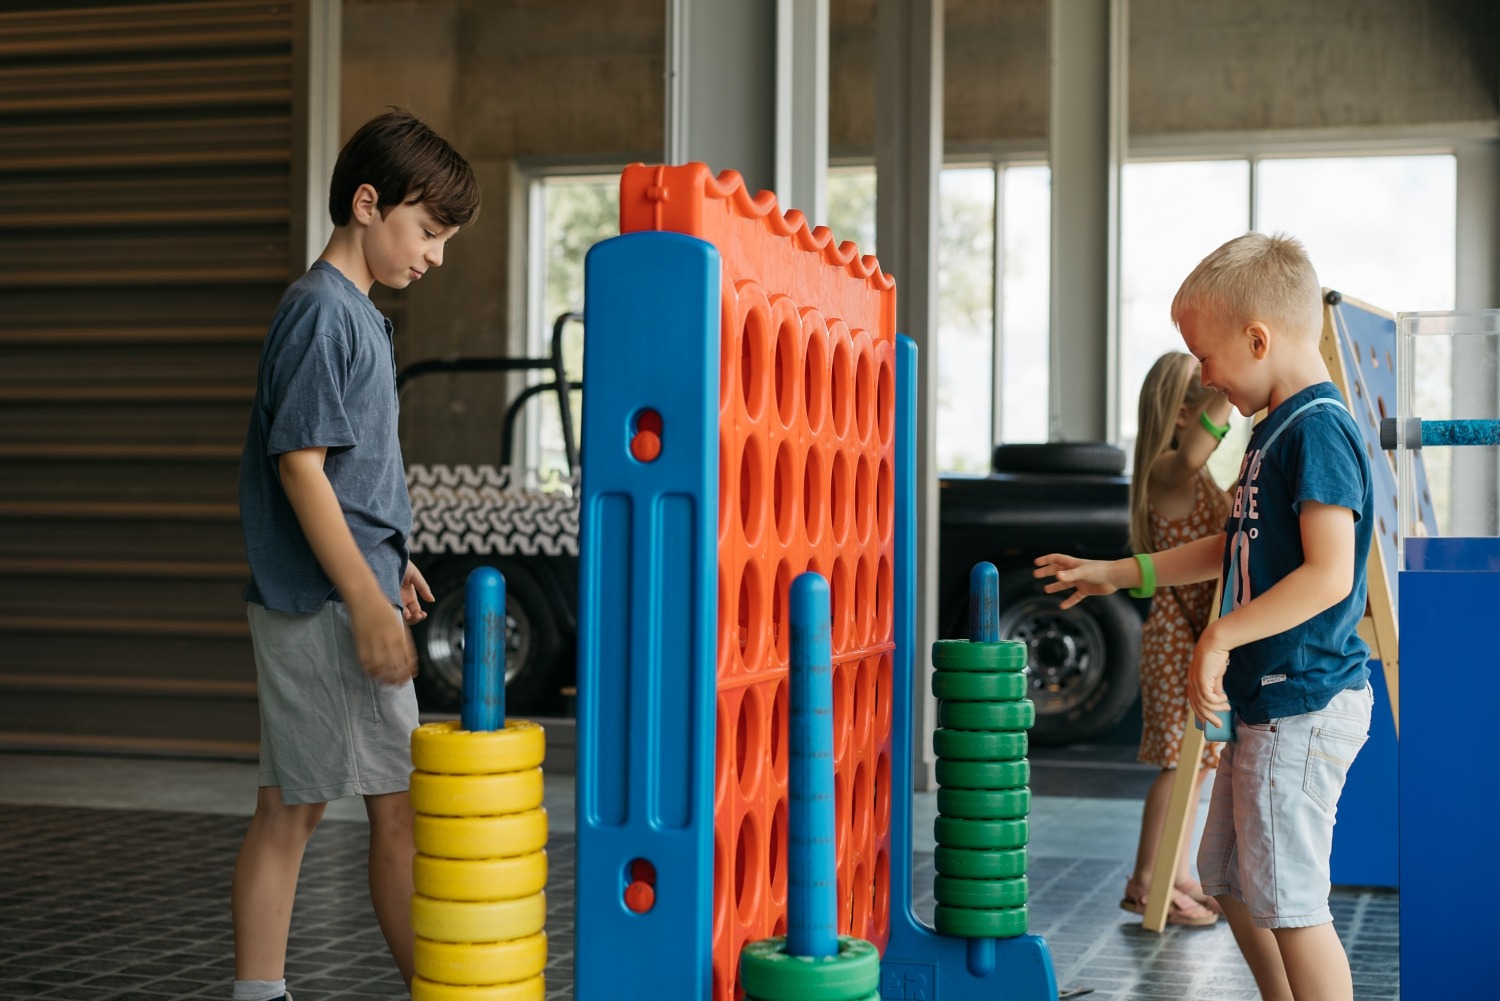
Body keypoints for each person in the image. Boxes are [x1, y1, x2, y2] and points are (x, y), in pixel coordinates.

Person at [1035, 232, 1373, 1001]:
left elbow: (1330, 573)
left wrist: (1219, 635)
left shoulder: (1318, 427)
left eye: (1209, 358)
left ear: (1259, 339)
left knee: (1291, 904)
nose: (1208, 378)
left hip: (1305, 699)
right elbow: (1231, 547)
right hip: (1270, 701)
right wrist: (1116, 572)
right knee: (1229, 880)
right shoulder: (1272, 433)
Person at [231, 109, 480, 1001]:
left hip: (350, 594)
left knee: (379, 810)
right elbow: (300, 470)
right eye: (428, 231)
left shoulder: (358, 319)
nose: (435, 256)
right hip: (325, 609)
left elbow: (348, 475)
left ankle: (429, 986)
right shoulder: (319, 314)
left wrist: (388, 562)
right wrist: (365, 600)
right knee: (298, 811)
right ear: (367, 204)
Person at [1117, 351, 1233, 928]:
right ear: (1184, 416)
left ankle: (1176, 872)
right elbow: (1195, 451)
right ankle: (1145, 881)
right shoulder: (1169, 469)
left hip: (1196, 634)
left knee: (1201, 766)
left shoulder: (1198, 477)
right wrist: (1231, 378)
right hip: (1173, 641)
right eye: (1211, 399)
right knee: (1175, 766)